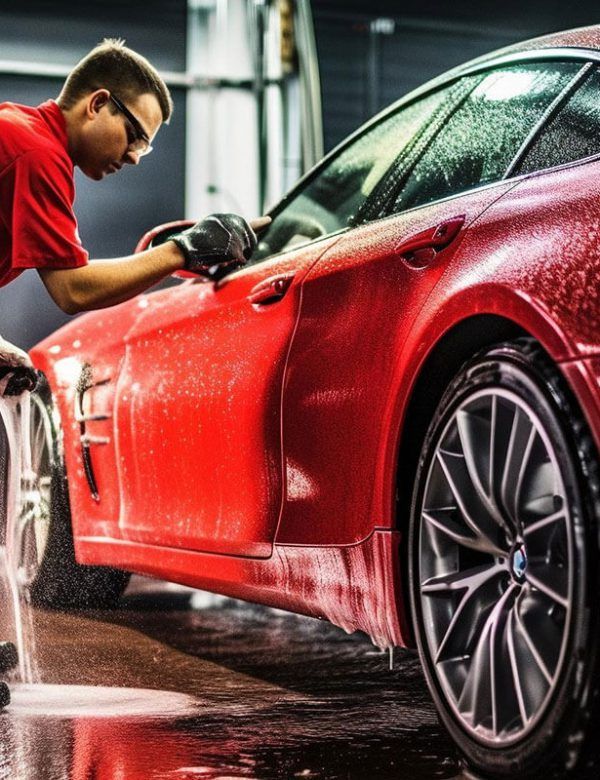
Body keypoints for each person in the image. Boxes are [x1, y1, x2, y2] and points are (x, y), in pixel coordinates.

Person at [0, 38, 270, 392]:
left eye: (143, 146)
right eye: (134, 136)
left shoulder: (20, 129)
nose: (133, 157)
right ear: (97, 104)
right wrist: (184, 248)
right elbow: (73, 290)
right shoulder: (36, 154)